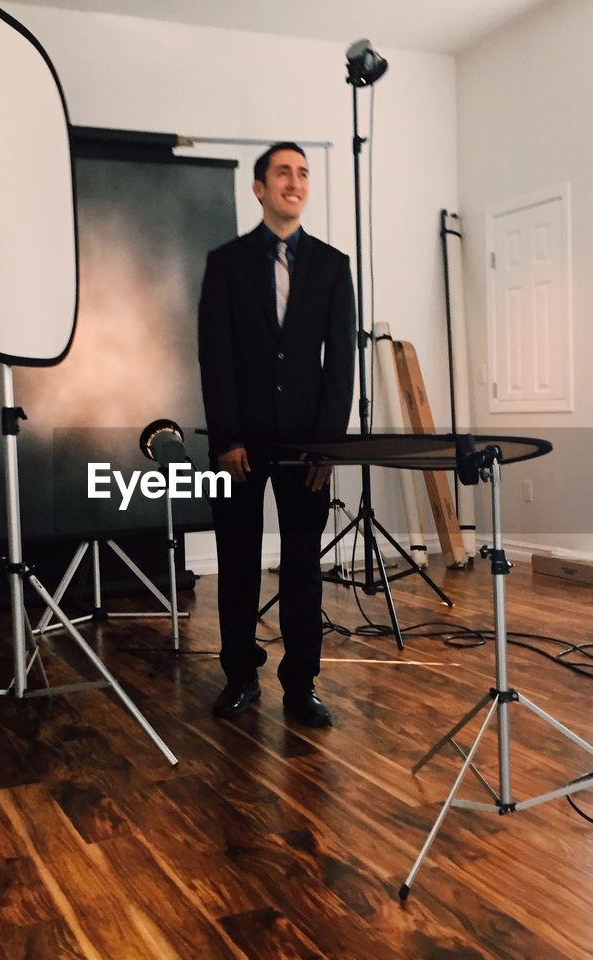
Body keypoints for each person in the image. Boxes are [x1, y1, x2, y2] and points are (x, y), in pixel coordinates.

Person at [197, 142, 355, 727]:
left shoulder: (333, 266)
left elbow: (340, 365)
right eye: (283, 172)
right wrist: (226, 438)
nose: (296, 181)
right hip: (240, 444)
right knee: (237, 561)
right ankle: (240, 676)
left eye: (304, 173)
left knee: (301, 567)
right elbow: (215, 358)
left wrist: (329, 445)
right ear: (259, 188)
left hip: (307, 446)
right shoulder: (226, 263)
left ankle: (301, 685)